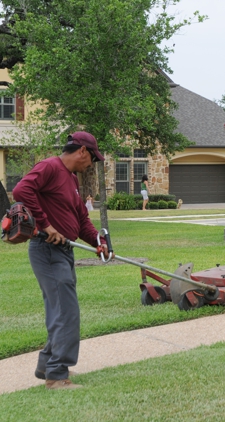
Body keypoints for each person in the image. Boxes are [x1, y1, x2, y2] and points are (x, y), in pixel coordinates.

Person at [12, 131, 112, 390]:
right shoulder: (50, 167)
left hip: (64, 252)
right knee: (67, 312)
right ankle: (57, 376)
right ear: (82, 151)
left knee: (59, 311)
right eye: (92, 158)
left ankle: (47, 364)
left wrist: (97, 243)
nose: (91, 163)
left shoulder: (70, 179)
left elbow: (80, 218)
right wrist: (46, 225)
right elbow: (21, 189)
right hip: (47, 251)